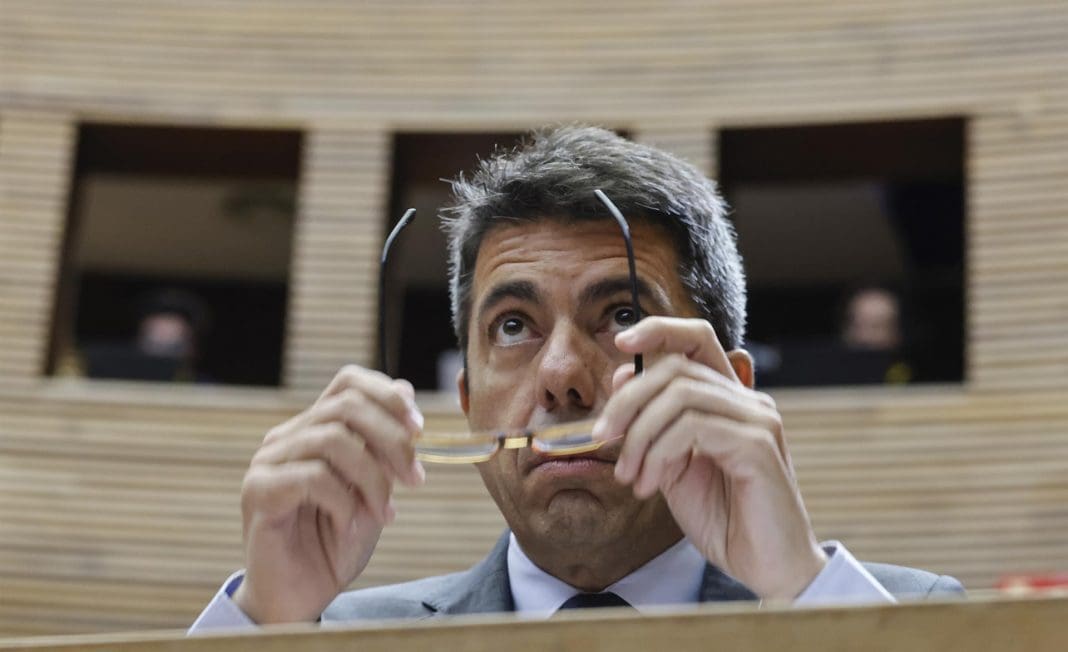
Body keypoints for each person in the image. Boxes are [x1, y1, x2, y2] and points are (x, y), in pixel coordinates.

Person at [191, 126, 961, 629]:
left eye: (622, 315)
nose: (561, 376)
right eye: (513, 326)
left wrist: (802, 593)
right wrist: (266, 621)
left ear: (727, 389)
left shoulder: (895, 616)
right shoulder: (325, 640)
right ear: (467, 403)